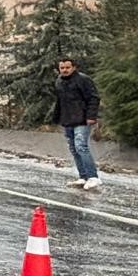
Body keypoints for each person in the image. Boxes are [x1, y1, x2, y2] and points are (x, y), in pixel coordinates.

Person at [52, 58, 101, 190]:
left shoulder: (83, 79)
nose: (65, 70)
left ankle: (93, 177)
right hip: (67, 120)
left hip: (82, 119)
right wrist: (56, 118)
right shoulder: (59, 81)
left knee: (81, 146)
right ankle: (83, 177)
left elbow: (94, 98)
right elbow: (59, 102)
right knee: (73, 148)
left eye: (67, 67)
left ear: (74, 67)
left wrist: (91, 116)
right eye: (62, 68)